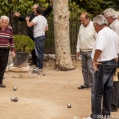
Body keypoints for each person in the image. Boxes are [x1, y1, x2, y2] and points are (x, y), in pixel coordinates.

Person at [83, 15, 119, 119]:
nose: (94, 28)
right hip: (112, 63)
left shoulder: (102, 33)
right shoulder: (113, 33)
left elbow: (99, 49)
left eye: (94, 26)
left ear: (96, 24)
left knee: (96, 92)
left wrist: (94, 60)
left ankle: (96, 115)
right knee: (108, 90)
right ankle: (106, 114)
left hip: (103, 64)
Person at [14, 0, 52, 66]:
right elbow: (23, 18)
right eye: (33, 8)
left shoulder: (42, 14)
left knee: (39, 49)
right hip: (31, 34)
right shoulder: (30, 15)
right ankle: (34, 61)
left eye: (35, 8)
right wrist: (19, 16)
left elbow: (48, 9)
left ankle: (39, 63)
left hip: (38, 35)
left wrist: (51, 3)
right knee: (33, 49)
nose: (34, 9)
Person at [103, 8, 119, 112]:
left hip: (116, 56)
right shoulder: (114, 26)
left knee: (114, 79)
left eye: (105, 17)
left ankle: (114, 104)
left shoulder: (116, 26)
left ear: (109, 18)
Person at [76, 12, 96, 89]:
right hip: (83, 50)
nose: (82, 22)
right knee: (84, 68)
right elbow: (79, 38)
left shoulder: (93, 26)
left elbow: (97, 39)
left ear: (88, 19)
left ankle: (93, 85)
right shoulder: (81, 26)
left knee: (91, 68)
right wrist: (78, 49)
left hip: (91, 51)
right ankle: (86, 84)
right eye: (81, 20)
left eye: (83, 20)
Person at [26, 6, 48, 71]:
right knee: (40, 51)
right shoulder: (44, 18)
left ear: (36, 11)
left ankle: (39, 67)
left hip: (38, 36)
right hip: (42, 35)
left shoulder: (37, 18)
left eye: (35, 10)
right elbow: (47, 28)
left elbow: (29, 25)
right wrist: (41, 30)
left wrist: (27, 20)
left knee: (38, 52)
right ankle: (40, 66)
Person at [0, 16, 15, 88]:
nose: (4, 24)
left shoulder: (10, 29)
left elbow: (11, 40)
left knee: (3, 66)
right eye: (3, 22)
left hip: (5, 50)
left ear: (7, 23)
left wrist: (13, 50)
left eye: (5, 23)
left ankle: (0, 82)